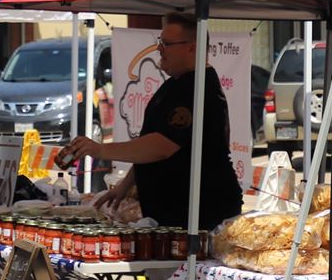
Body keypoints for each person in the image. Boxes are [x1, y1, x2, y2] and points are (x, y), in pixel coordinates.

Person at [64, 13, 244, 231]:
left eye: (166, 44)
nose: (159, 49)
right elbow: (150, 142)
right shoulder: (176, 84)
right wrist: (126, 184)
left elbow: (161, 146)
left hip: (201, 213)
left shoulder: (198, 89)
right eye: (160, 42)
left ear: (192, 48)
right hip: (174, 213)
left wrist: (100, 150)